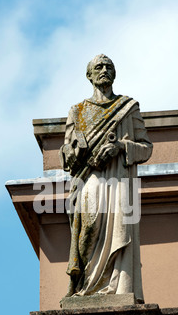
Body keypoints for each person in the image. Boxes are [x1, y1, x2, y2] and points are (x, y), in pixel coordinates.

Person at [59, 54, 153, 301]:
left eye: (108, 67)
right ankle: (86, 286)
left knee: (120, 228)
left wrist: (121, 147)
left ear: (114, 74)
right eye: (98, 67)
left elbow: (146, 148)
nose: (104, 70)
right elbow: (66, 152)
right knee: (89, 226)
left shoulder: (128, 107)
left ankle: (113, 287)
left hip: (119, 180)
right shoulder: (77, 111)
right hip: (89, 177)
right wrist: (72, 150)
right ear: (89, 75)